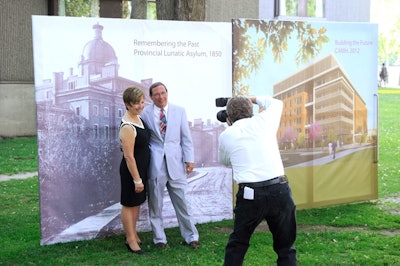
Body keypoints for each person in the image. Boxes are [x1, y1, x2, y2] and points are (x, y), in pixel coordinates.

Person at [218, 95, 297, 266]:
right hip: (280, 190)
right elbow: (276, 103)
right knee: (286, 248)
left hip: (250, 196)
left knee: (238, 244)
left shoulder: (226, 135)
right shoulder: (265, 121)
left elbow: (224, 161)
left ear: (229, 117)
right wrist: (249, 98)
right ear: (251, 112)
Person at [141, 81, 200, 250]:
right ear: (151, 97)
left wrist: (190, 159)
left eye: (163, 93)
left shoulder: (179, 111)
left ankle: (191, 237)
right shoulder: (145, 113)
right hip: (155, 164)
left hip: (176, 163)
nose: (161, 97)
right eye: (156, 94)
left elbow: (186, 138)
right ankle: (159, 239)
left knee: (183, 203)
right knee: (155, 203)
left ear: (167, 93)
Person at [119, 86, 151, 255]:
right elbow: (129, 157)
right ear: (127, 104)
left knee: (136, 202)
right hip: (132, 172)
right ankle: (130, 239)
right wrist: (137, 179)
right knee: (129, 203)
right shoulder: (128, 126)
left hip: (141, 170)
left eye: (142, 102)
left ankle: (133, 233)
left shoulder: (138, 119)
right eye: (136, 103)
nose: (140, 106)